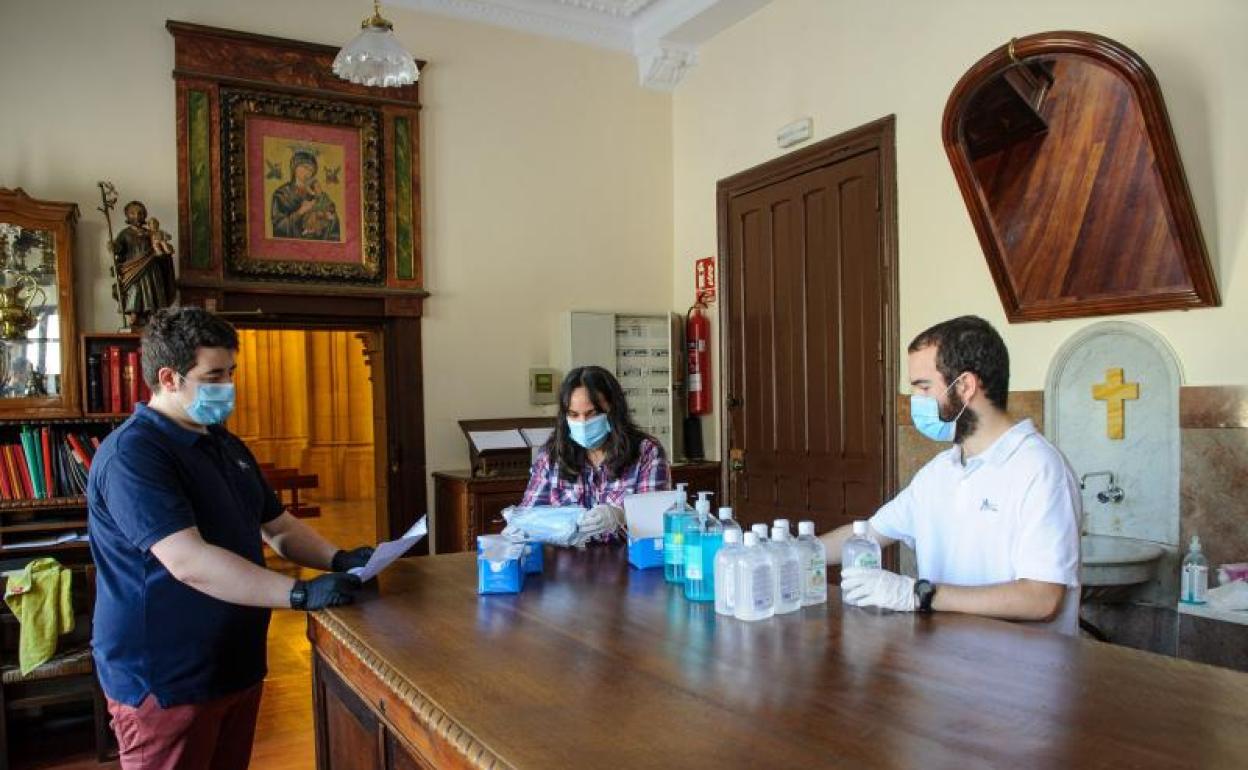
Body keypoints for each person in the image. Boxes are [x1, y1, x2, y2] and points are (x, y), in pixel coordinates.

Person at [87, 307, 375, 769]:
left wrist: (339, 559)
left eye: (230, 372)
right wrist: (299, 593)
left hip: (232, 664)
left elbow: (278, 527)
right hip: (166, 677)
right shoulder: (135, 454)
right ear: (169, 377)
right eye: (214, 374)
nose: (228, 386)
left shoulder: (223, 442)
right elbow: (188, 560)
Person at [822, 315, 1082, 635]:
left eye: (924, 387)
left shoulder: (1039, 468)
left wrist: (919, 594)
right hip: (945, 665)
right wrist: (794, 551)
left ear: (965, 386)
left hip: (1019, 676)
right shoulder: (939, 472)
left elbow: (1041, 599)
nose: (915, 402)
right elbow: (868, 533)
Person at [521, 366, 671, 517]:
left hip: (628, 541)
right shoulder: (551, 455)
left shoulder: (646, 452)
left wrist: (621, 517)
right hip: (568, 542)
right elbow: (528, 516)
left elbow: (653, 519)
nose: (582, 423)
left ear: (613, 410)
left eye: (591, 414)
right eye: (573, 414)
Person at [110, 200, 176, 329]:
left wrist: (164, 251)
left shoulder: (150, 233)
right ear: (127, 216)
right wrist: (113, 246)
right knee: (134, 292)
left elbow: (163, 248)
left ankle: (152, 319)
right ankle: (133, 317)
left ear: (144, 215)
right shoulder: (125, 233)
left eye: (140, 213)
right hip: (133, 270)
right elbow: (118, 249)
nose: (137, 216)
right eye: (132, 213)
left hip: (151, 269)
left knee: (152, 294)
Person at [270, 150, 340, 241]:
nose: (308, 172)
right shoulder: (282, 194)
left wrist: (321, 198)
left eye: (311, 170)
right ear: (294, 168)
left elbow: (333, 221)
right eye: (304, 167)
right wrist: (300, 212)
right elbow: (278, 227)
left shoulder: (319, 194)